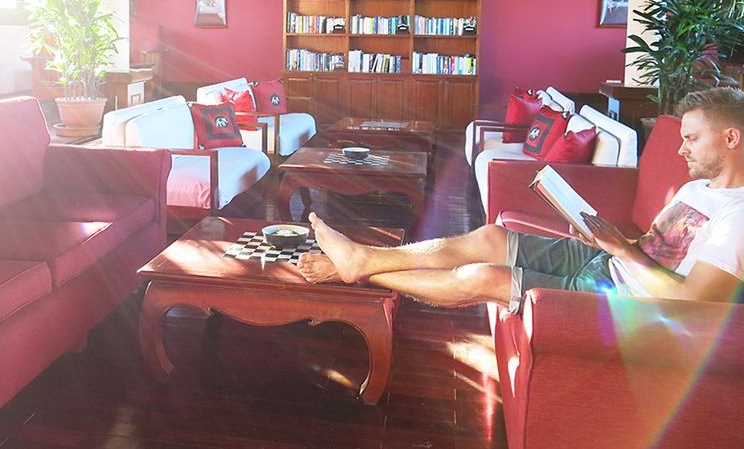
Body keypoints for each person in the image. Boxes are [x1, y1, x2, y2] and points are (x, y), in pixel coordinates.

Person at [299, 87, 744, 311]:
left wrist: (622, 249)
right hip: (610, 265)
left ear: (731, 137)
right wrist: (602, 239)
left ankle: (357, 267)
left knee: (482, 275)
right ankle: (359, 261)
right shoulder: (694, 189)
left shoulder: (738, 217)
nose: (680, 149)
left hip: (627, 303)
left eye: (691, 139)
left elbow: (695, 305)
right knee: (492, 235)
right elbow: (654, 245)